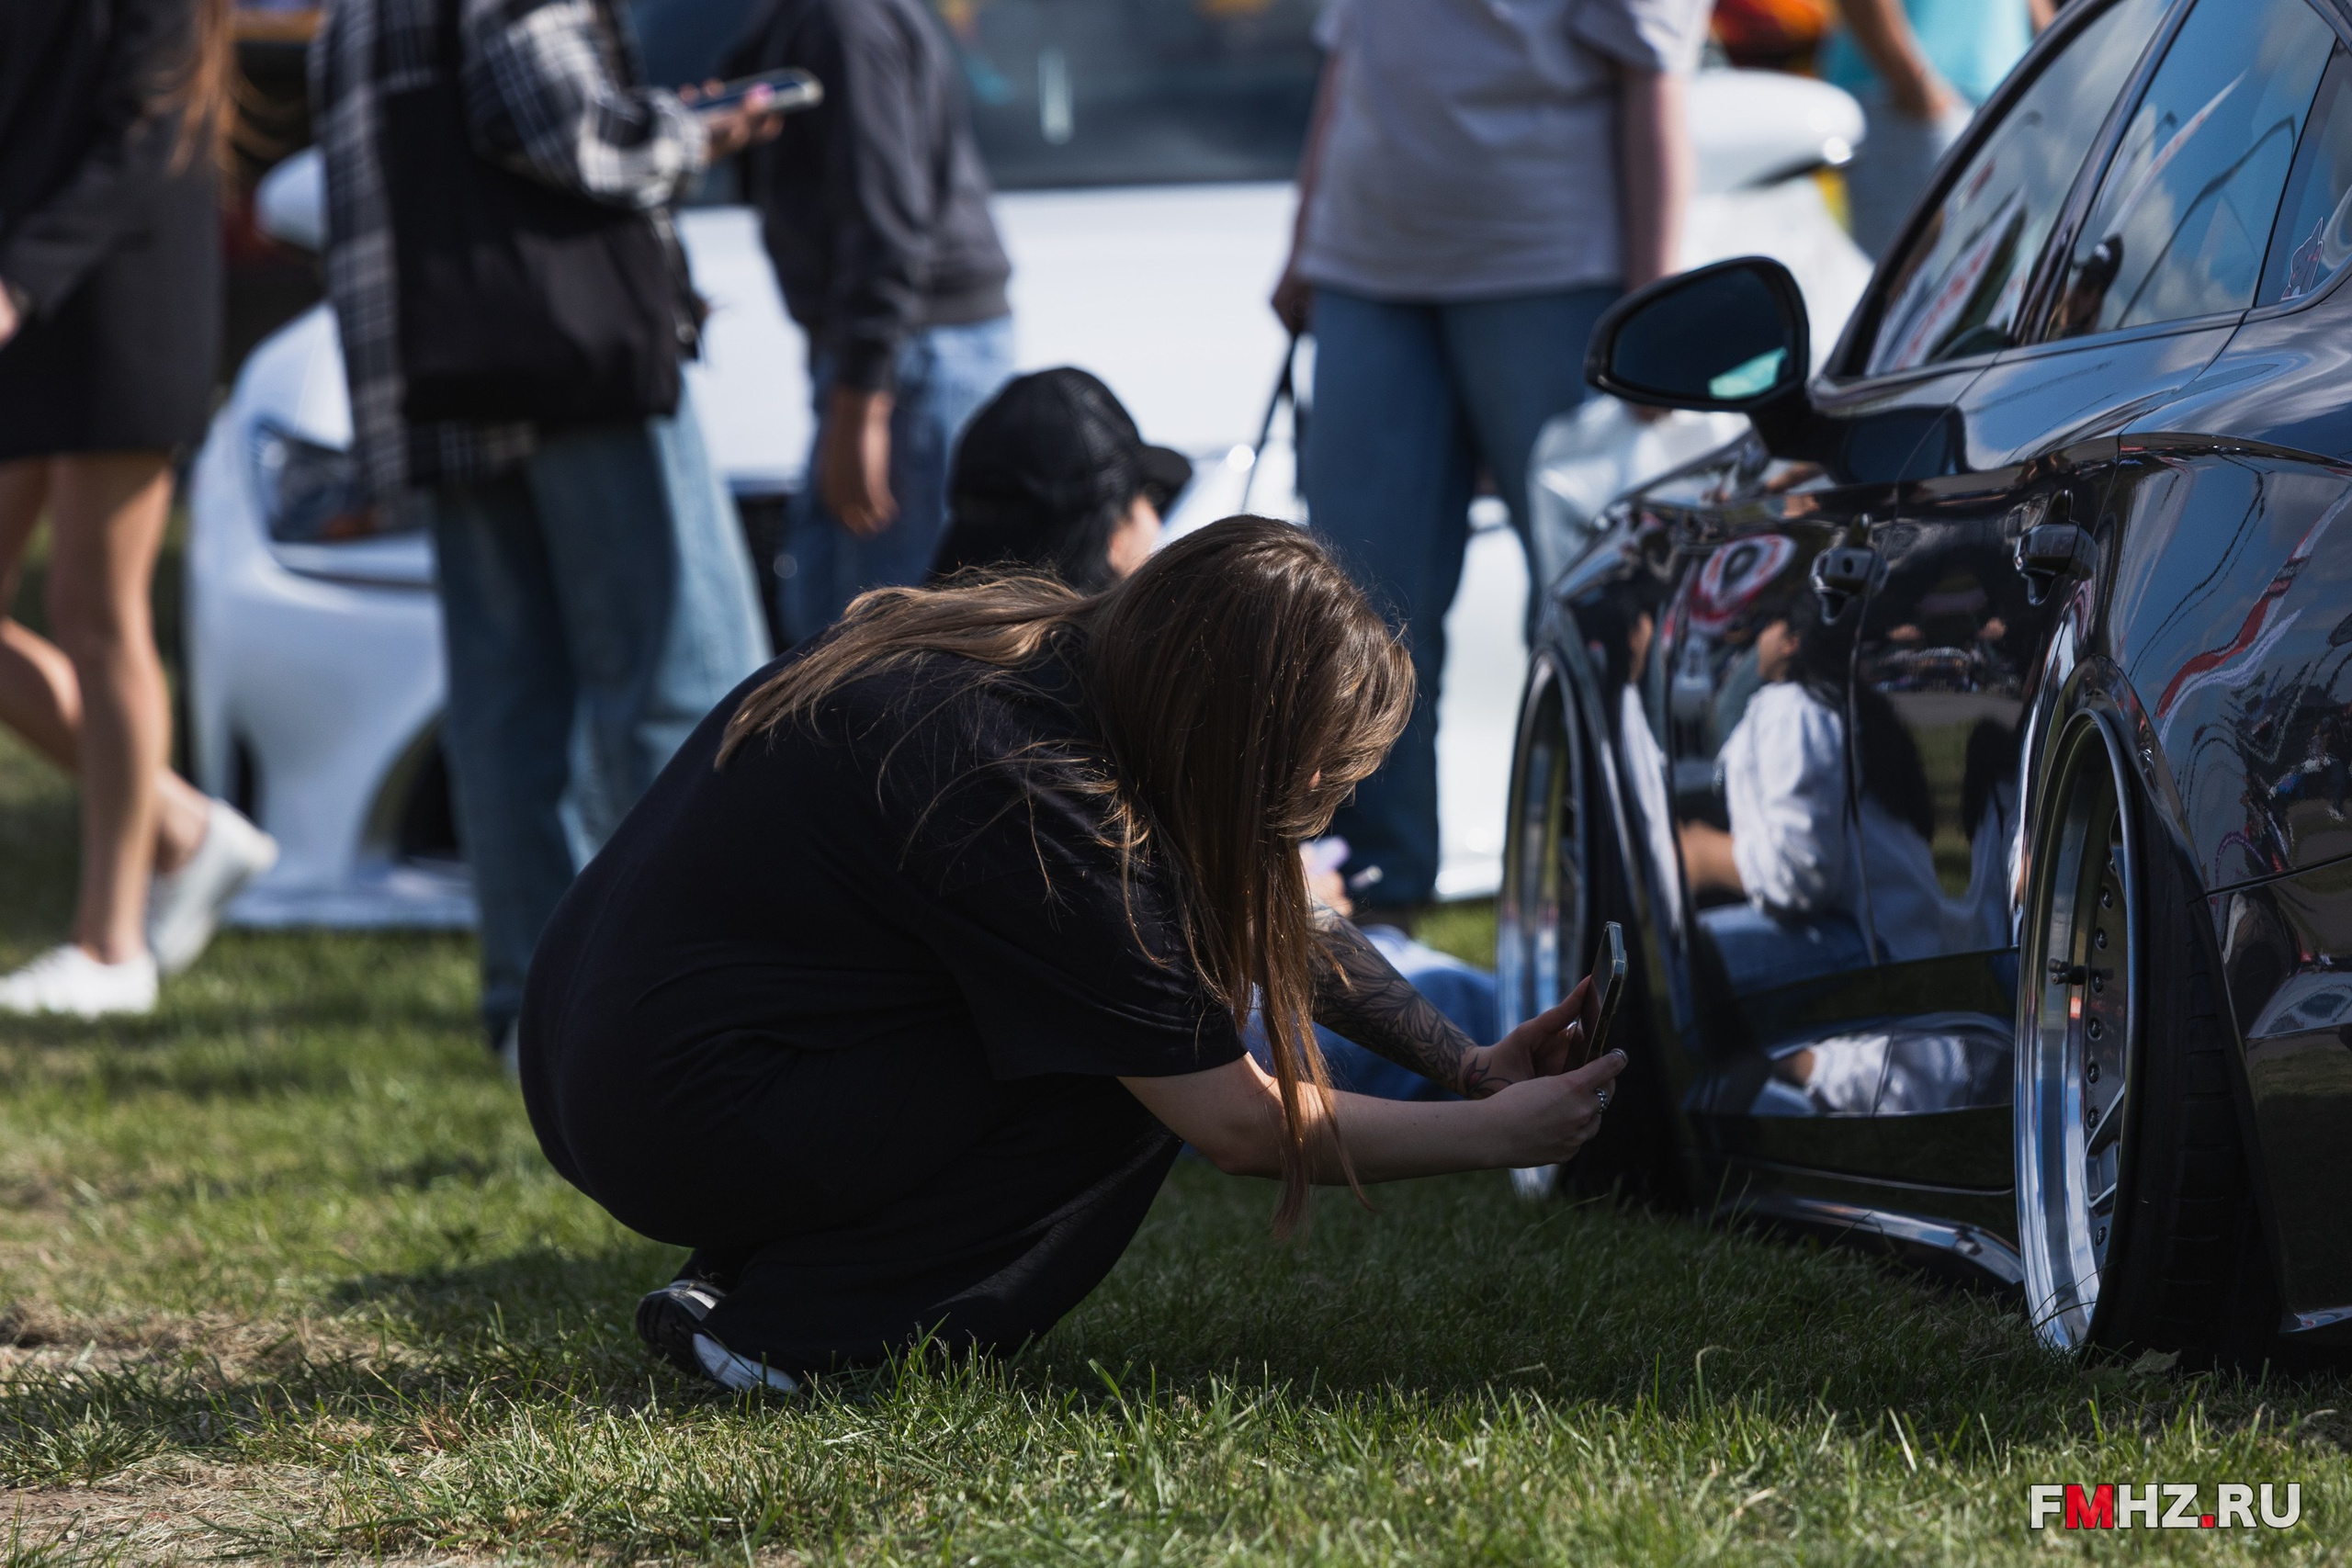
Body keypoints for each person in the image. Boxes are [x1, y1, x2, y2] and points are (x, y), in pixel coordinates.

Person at [519, 518, 1625, 1393]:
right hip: (677, 1110)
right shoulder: (1039, 799)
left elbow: (1270, 908)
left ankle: (748, 1283)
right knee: (1120, 1066)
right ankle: (792, 1340)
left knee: (1104, 1012)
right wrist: (1493, 1135)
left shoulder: (1024, 645)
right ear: (1236, 743)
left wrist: (1466, 1064)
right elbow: (1236, 1124)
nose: (1319, 811)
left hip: (603, 1066)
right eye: (1317, 781)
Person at [312, 0, 781, 1057]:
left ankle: (538, 1013)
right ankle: (695, 999)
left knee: (507, 711)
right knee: (676, 679)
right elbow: (567, 127)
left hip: (444, 375)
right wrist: (695, 129)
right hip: (581, 365)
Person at [1272, 0, 1709, 926]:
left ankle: (1608, 889)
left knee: (1586, 608)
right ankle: (1370, 910)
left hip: (1552, 270)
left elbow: (1654, 77)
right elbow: (1348, 54)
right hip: (1366, 268)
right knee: (1352, 606)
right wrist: (1306, 240)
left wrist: (1653, 306)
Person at [0, 0, 282, 1018]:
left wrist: (15, 283)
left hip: (118, 294)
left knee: (95, 612)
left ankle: (111, 946)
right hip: (24, 287)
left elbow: (147, 136)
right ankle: (179, 827)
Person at [724, 0, 1016, 648]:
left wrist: (861, 402)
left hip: (911, 351)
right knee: (834, 635)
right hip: (898, 347)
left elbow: (887, 227)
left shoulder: (842, 21)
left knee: (888, 647)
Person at [1824, 0, 2053, 259]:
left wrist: (2058, 67)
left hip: (2008, 105)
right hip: (1908, 109)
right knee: (1914, 276)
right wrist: (1919, 91)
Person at [928, 368, 1190, 594]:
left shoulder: (914, 627)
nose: (1156, 524)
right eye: (1150, 495)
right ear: (1115, 539)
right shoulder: (1123, 637)